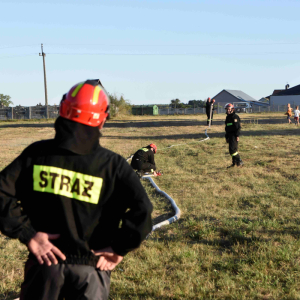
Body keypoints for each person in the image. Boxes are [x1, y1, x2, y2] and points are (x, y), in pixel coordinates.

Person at [0, 79, 153, 300]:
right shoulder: (113, 165)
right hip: (91, 273)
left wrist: (28, 234)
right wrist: (118, 248)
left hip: (44, 268)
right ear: (102, 120)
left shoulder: (35, 155)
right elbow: (143, 210)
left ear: (62, 112)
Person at [224, 103, 243, 168]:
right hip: (229, 135)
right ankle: (234, 163)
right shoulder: (227, 117)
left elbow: (237, 127)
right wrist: (226, 137)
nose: (228, 111)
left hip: (234, 135)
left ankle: (239, 160)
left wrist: (237, 136)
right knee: (231, 150)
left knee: (233, 150)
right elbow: (226, 128)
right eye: (227, 109)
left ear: (232, 109)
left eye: (229, 109)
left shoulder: (235, 117)